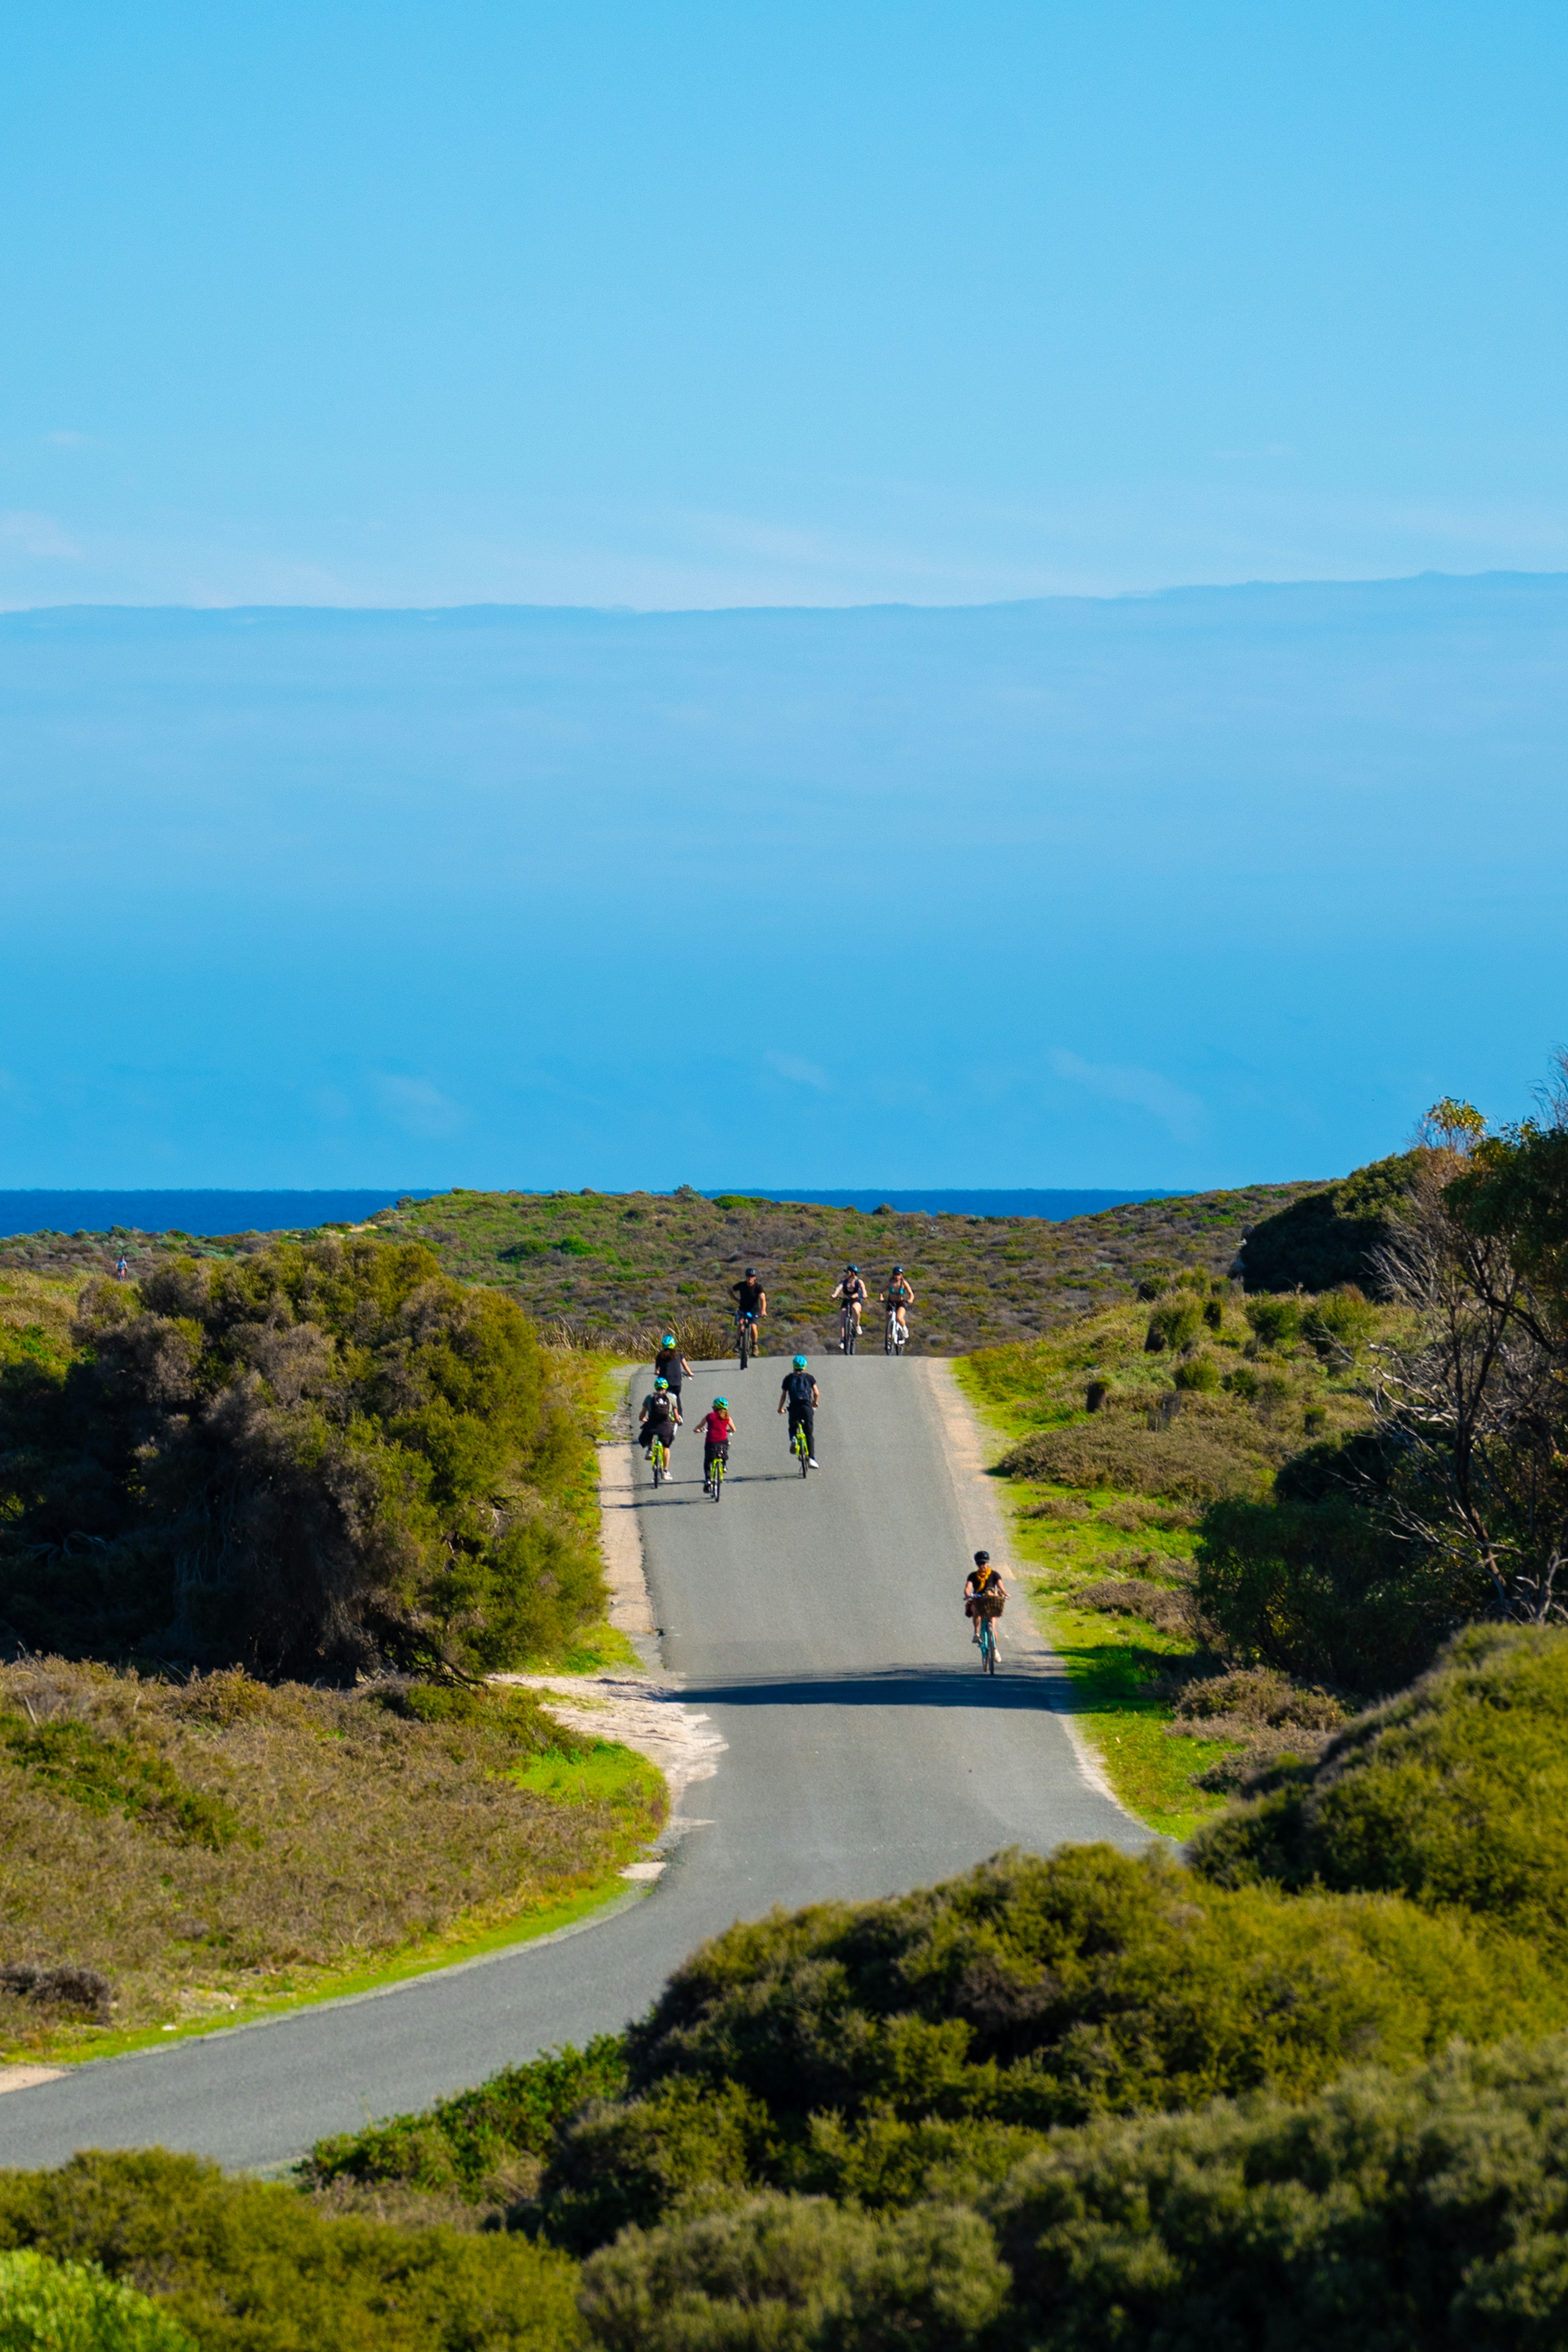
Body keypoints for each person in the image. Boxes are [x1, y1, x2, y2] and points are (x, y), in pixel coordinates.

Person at [777, 1354, 820, 1467]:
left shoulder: (788, 1379)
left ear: (794, 1366)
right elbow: (816, 1393)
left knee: (793, 1426)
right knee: (809, 1434)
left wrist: (780, 1409)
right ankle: (812, 1459)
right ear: (805, 1366)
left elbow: (783, 1396)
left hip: (794, 1407)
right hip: (807, 1407)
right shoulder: (810, 1378)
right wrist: (815, 1403)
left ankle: (794, 1438)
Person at [638, 1376, 682, 1465]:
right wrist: (677, 1421)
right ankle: (666, 1471)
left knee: (648, 1432)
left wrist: (644, 1420)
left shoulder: (650, 1397)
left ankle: (650, 1450)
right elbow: (677, 1417)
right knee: (666, 1447)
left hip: (652, 1424)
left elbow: (642, 1416)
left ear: (656, 1387)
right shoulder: (671, 1398)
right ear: (666, 1388)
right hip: (666, 1425)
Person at [964, 1551, 1006, 1643]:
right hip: (978, 1600)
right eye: (979, 1564)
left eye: (984, 1563)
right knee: (976, 1611)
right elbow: (968, 1588)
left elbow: (1001, 1587)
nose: (982, 1566)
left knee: (993, 1626)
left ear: (988, 1563)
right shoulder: (973, 1576)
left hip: (991, 1601)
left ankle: (995, 1651)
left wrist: (1005, 1593)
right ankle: (977, 1634)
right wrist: (968, 1594)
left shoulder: (994, 1574)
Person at [697, 1395, 736, 1492]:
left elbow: (700, 1425)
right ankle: (724, 1465)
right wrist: (728, 1430)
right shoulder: (727, 1417)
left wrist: (697, 1429)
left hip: (711, 1442)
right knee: (726, 1447)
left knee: (707, 1461)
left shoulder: (710, 1416)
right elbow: (733, 1429)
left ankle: (708, 1480)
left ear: (715, 1407)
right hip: (722, 1442)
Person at [831, 1264, 868, 1343]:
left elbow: (864, 1290)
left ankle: (857, 1326)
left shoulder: (859, 1282)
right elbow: (839, 1288)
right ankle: (843, 1340)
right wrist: (835, 1295)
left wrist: (865, 1295)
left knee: (855, 1309)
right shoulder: (844, 1282)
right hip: (846, 1300)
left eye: (848, 1272)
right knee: (842, 1319)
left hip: (856, 1300)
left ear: (853, 1273)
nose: (846, 1274)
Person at [653, 1333, 692, 1404]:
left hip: (664, 1384)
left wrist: (659, 1373)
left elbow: (656, 1371)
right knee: (677, 1399)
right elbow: (685, 1367)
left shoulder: (660, 1356)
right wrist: (690, 1373)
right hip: (676, 1383)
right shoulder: (679, 1355)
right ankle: (679, 1414)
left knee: (664, 1398)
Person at [884, 1265, 915, 1340]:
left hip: (901, 1303)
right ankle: (890, 1335)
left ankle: (905, 1330)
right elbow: (881, 1291)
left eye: (898, 1274)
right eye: (895, 1274)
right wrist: (881, 1297)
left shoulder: (904, 1283)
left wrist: (910, 1300)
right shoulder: (890, 1283)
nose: (897, 1276)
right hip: (891, 1302)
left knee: (899, 1318)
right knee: (889, 1320)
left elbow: (911, 1294)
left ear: (902, 1275)